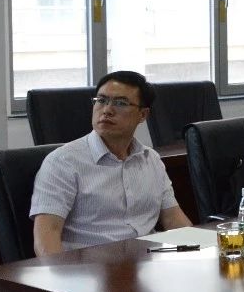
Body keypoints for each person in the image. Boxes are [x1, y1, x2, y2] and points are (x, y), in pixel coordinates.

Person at [30, 71, 193, 256]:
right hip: (90, 268)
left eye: (120, 103)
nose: (107, 110)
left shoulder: (151, 159)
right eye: (101, 100)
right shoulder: (62, 162)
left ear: (142, 114)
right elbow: (46, 238)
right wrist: (61, 275)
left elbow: (173, 219)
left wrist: (202, 252)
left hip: (148, 263)